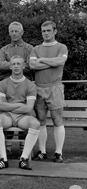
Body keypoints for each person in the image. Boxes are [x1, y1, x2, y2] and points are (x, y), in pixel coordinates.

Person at [0, 56, 40, 170]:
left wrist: (9, 107)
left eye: (19, 64)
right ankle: (3, 159)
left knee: (36, 124)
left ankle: (23, 159)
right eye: (14, 64)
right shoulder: (3, 83)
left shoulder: (30, 85)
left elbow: (29, 108)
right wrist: (19, 105)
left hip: (23, 116)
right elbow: (0, 105)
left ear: (23, 66)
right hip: (7, 116)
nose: (16, 66)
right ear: (10, 66)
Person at [30, 21, 68, 163]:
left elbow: (60, 62)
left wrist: (43, 60)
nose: (45, 33)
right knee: (41, 120)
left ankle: (58, 153)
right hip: (39, 87)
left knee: (57, 119)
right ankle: (42, 151)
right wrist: (51, 62)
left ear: (55, 31)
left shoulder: (61, 47)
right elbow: (33, 65)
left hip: (55, 87)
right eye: (43, 31)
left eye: (48, 30)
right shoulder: (36, 48)